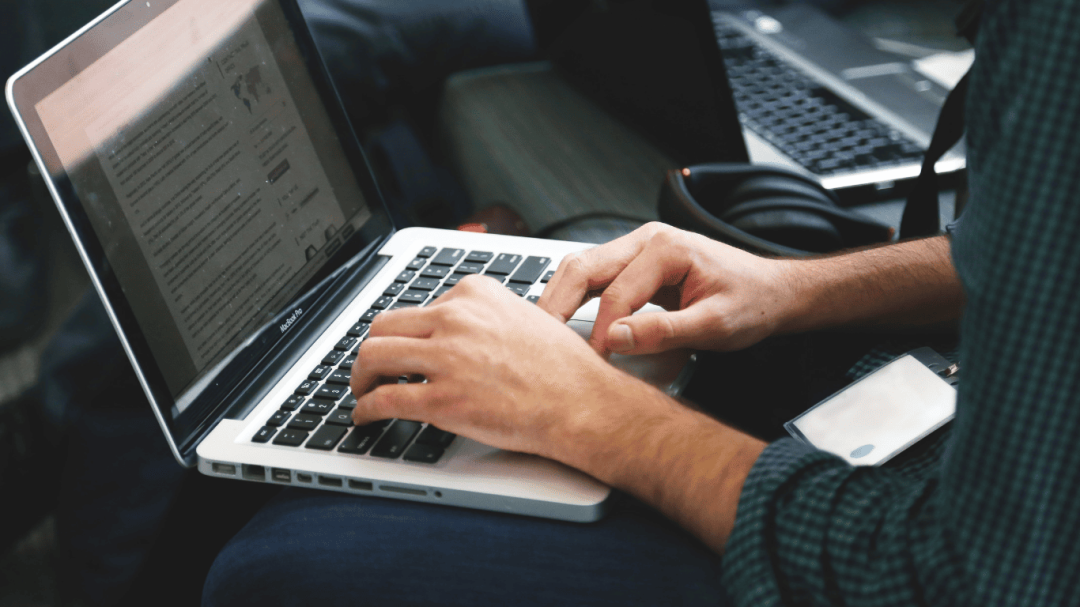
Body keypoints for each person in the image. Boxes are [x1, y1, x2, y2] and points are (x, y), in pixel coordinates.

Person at [202, 0, 1080, 605]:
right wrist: (793, 287)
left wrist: (598, 416)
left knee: (277, 562)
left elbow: (961, 581)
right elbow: (1034, 249)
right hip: (964, 436)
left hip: (927, 544)